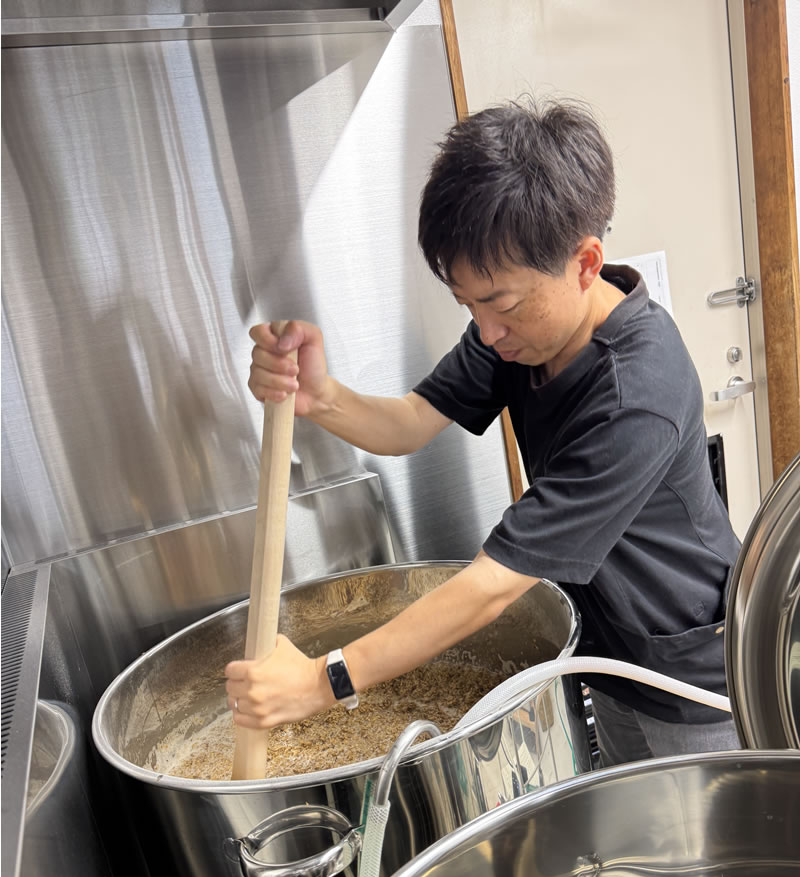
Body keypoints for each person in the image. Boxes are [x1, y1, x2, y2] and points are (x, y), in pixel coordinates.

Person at [225, 99, 742, 766]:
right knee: (641, 824)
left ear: (585, 263)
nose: (487, 331)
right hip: (613, 658)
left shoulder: (635, 394)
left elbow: (492, 585)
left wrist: (323, 681)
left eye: (502, 305)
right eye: (468, 304)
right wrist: (321, 398)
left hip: (695, 677)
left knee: (711, 831)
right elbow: (411, 421)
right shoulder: (521, 335)